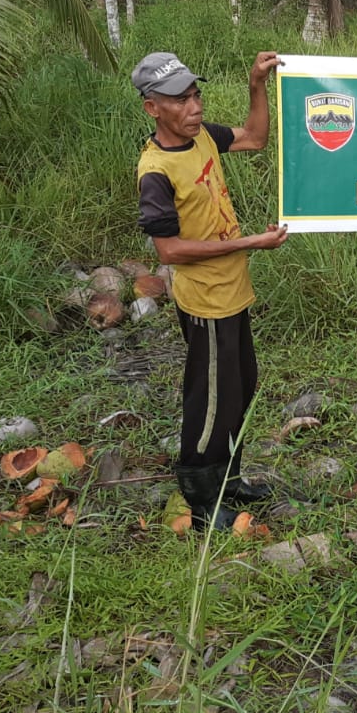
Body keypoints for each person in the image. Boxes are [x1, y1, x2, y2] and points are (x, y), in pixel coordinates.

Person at [133, 50, 289, 530]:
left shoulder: (201, 138)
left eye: (195, 95)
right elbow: (169, 251)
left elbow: (256, 138)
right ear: (152, 108)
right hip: (206, 300)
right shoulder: (156, 170)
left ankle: (231, 479)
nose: (194, 107)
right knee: (210, 399)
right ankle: (201, 500)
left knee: (241, 389)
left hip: (233, 290)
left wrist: (256, 85)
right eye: (179, 100)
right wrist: (251, 242)